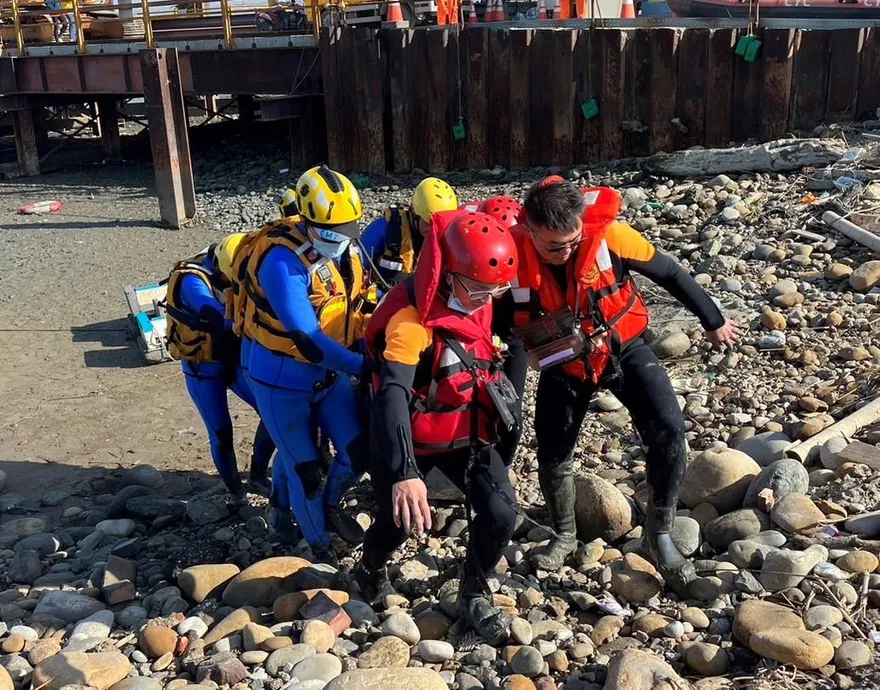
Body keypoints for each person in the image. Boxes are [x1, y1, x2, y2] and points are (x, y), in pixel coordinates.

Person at [502, 177, 742, 592]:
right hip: (563, 362)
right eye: (554, 247)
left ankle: (658, 534)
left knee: (669, 428)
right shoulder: (510, 255)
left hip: (622, 348)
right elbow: (488, 314)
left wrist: (713, 320)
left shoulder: (611, 236)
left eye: (574, 241)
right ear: (529, 229)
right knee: (553, 451)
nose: (566, 252)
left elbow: (670, 273)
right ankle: (564, 533)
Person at [352, 210, 521, 645]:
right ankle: (369, 568)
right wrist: (405, 473)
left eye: (497, 290)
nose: (488, 299)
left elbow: (509, 347)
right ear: (448, 273)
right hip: (407, 439)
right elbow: (392, 394)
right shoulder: (410, 323)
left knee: (502, 512)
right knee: (397, 522)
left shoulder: (478, 300)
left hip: (465, 433)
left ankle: (474, 591)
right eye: (480, 289)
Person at [236, 165, 375, 565]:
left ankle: (328, 506)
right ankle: (318, 546)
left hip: (329, 377)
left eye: (348, 229)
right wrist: (363, 367)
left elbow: (358, 303)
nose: (342, 238)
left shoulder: (344, 249)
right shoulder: (281, 262)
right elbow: (309, 341)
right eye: (332, 232)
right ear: (308, 222)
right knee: (306, 469)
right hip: (282, 381)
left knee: (357, 451)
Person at [164, 234, 275, 501]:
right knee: (221, 432)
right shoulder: (191, 281)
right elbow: (213, 314)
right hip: (203, 367)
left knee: (273, 415)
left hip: (233, 358)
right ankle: (235, 490)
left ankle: (258, 476)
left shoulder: (242, 264)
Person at [360, 177, 459, 285]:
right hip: (386, 292)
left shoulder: (450, 238)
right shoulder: (384, 228)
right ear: (415, 214)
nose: (434, 230)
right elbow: (357, 266)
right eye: (429, 223)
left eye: (440, 226)